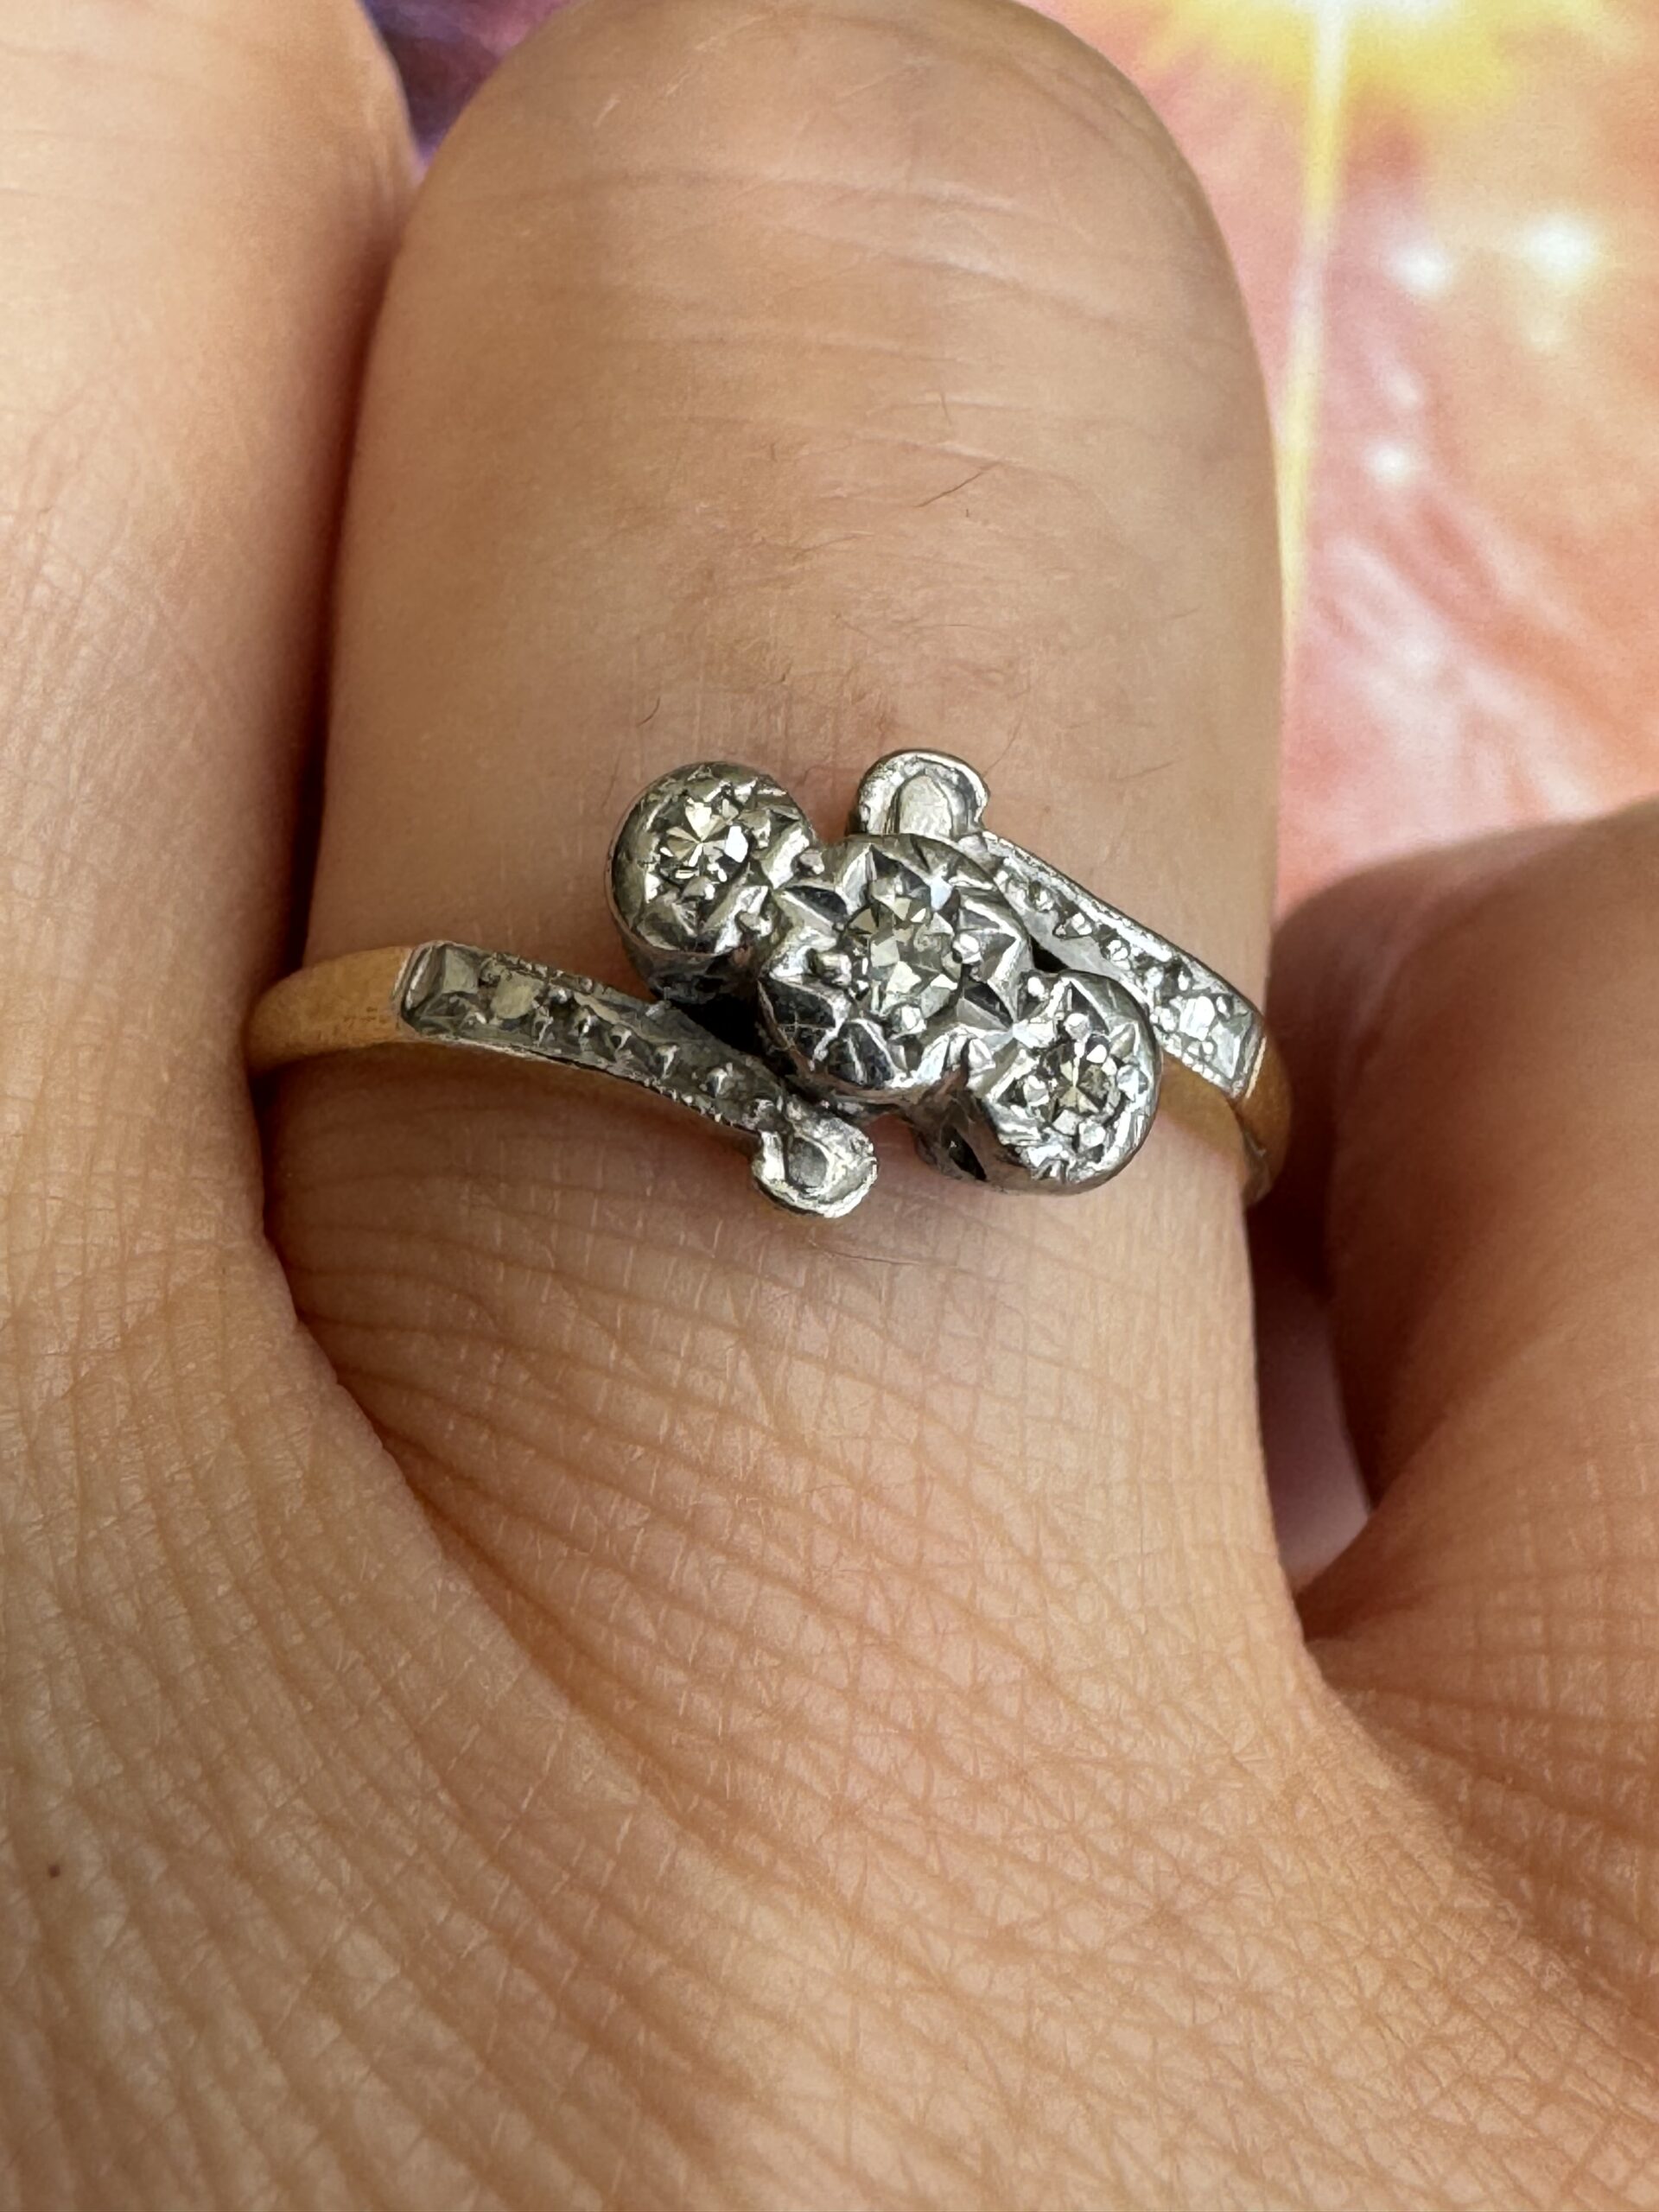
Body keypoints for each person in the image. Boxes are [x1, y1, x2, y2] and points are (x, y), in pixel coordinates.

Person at [3, 0, 1655, 2202]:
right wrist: (781, 1086)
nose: (753, 880)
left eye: (744, 855)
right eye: (722, 890)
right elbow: (739, 1046)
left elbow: (929, 892)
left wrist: (954, 919)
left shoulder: (881, 919)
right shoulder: (782, 990)